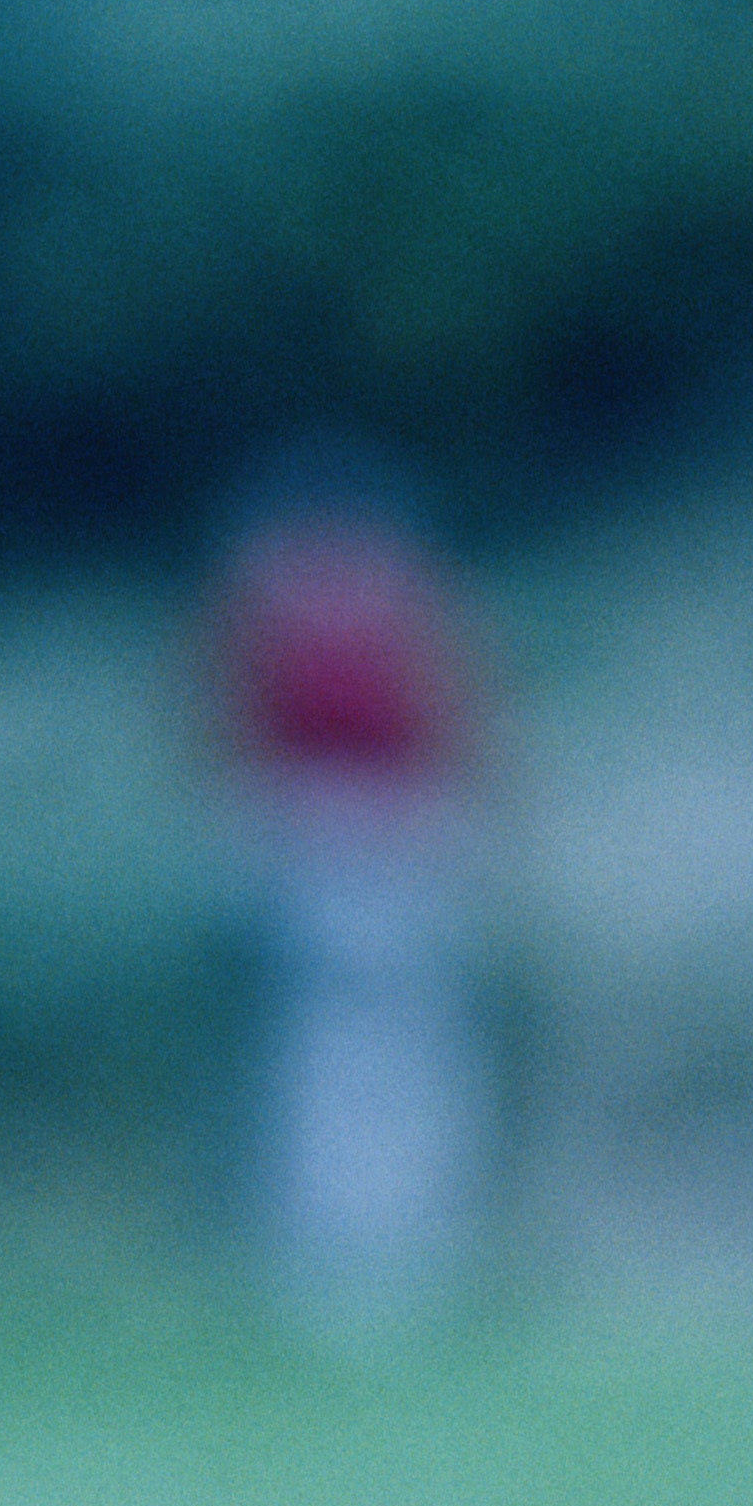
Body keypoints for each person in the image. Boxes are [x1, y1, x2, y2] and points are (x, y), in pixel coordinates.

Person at [207, 460, 490, 1316]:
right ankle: (340, 1247)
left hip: (389, 841)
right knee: (334, 1061)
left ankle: (397, 1242)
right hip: (326, 844)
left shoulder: (371, 610)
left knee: (381, 1059)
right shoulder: (303, 612)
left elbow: (456, 728)